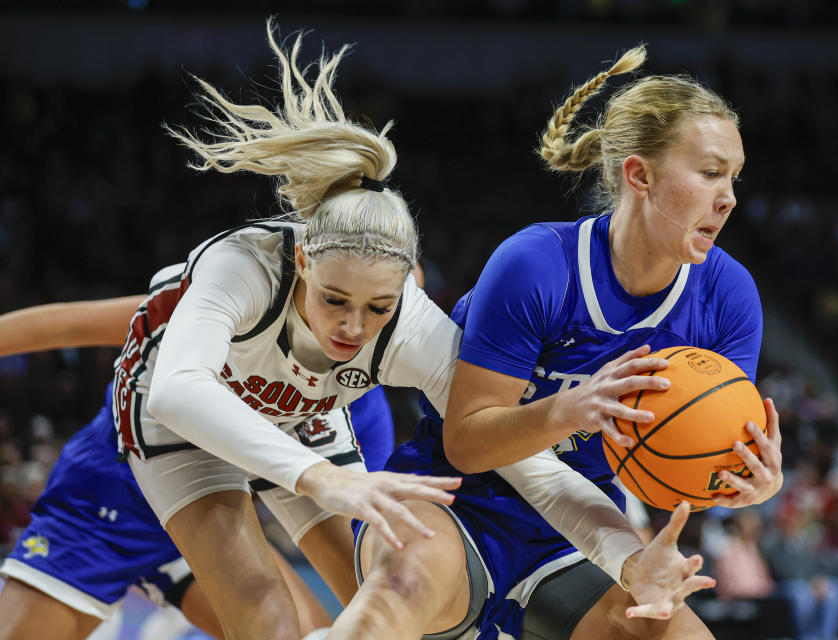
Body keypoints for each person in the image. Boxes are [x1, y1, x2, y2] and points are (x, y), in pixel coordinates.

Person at [332, 44, 784, 640]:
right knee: (400, 594)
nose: (727, 197)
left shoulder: (729, 295)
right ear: (639, 175)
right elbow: (466, 441)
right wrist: (570, 408)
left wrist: (742, 483)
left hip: (575, 532)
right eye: (708, 173)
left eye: (733, 176)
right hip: (451, 501)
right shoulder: (537, 265)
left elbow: (685, 463)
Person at [101, 18, 465, 640]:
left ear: (402, 288)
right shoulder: (241, 266)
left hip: (299, 416)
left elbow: (496, 428)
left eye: (377, 307)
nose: (354, 326)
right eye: (334, 299)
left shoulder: (411, 322)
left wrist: (617, 540)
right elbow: (178, 389)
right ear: (300, 260)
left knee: (391, 598)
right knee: (267, 620)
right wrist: (321, 478)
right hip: (174, 420)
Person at [0, 295, 394, 640]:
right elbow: (72, 322)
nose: (359, 324)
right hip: (114, 494)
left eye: (384, 309)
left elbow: (361, 558)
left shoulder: (366, 418)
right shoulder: (243, 296)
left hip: (210, 516)